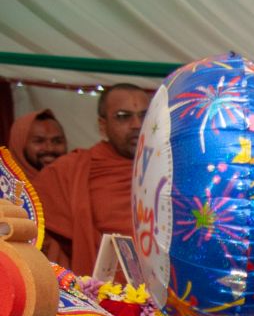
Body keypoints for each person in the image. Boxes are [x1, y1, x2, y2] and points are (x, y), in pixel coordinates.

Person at [37, 84, 149, 275]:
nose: (137, 124)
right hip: (95, 292)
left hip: (164, 293)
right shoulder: (70, 170)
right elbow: (36, 232)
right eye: (124, 116)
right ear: (102, 125)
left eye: (144, 115)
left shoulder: (170, 168)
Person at [5, 107, 68, 172]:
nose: (50, 148)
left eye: (57, 141)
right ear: (19, 146)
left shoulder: (74, 179)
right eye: (39, 141)